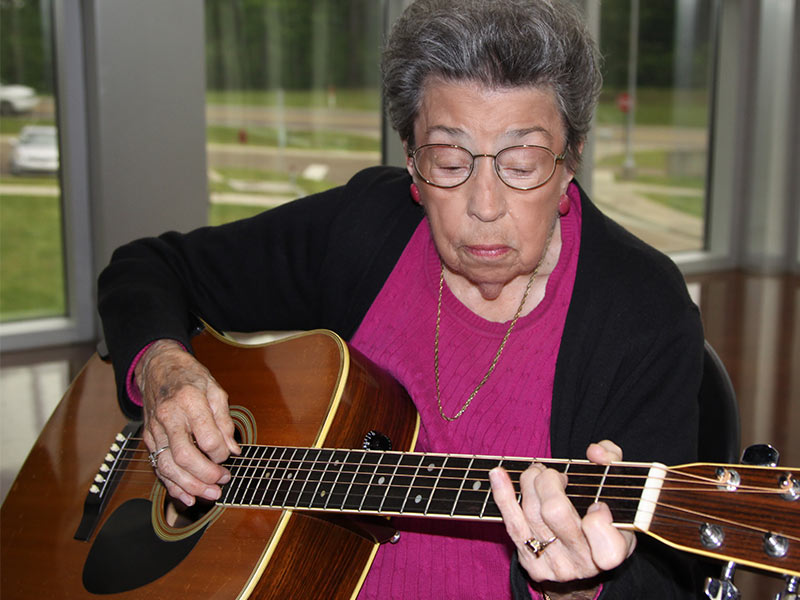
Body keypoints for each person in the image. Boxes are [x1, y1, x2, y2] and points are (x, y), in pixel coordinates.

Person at [97, 0, 704, 598]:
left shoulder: (642, 308)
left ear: (570, 163)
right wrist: (163, 371)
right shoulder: (365, 227)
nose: (484, 205)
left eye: (522, 164)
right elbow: (148, 267)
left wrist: (574, 590)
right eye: (448, 160)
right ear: (412, 165)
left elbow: (662, 577)